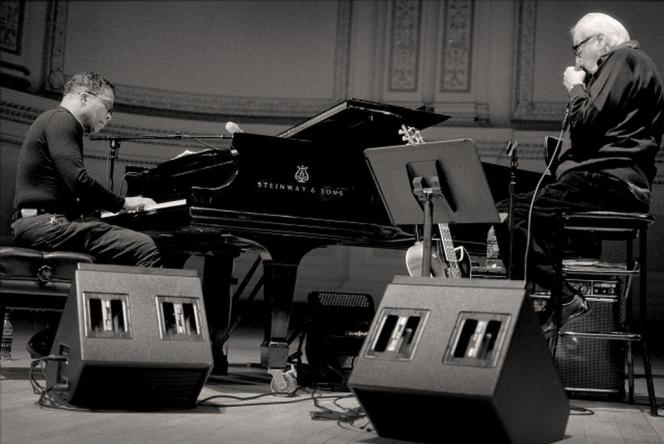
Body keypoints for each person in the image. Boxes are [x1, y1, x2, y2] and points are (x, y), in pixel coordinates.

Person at [494, 13, 663, 335]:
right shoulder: (624, 67)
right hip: (601, 180)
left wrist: (575, 88)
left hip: (609, 180)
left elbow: (587, 123)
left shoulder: (624, 57)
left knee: (512, 212)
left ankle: (554, 300)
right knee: (509, 211)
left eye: (577, 48)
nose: (576, 59)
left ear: (599, 41)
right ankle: (548, 302)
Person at [11, 71, 163, 267]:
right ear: (84, 98)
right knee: (144, 246)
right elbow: (78, 180)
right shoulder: (61, 120)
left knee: (114, 244)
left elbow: (67, 191)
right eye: (107, 106)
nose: (109, 116)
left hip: (42, 222)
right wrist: (124, 203)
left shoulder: (56, 121)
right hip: (46, 225)